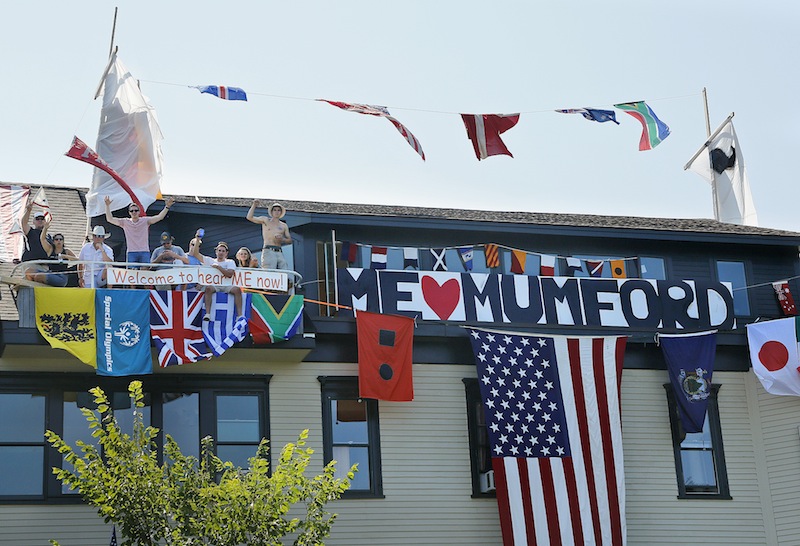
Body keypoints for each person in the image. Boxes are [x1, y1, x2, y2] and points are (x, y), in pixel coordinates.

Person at [104, 196, 174, 267]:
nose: (134, 212)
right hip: (131, 252)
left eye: (136, 210)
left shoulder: (145, 220)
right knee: (131, 273)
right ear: (129, 213)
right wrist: (107, 206)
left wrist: (167, 207)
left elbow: (159, 217)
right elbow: (110, 219)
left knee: (145, 272)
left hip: (144, 251)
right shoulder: (125, 222)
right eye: (132, 211)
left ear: (139, 211)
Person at [188, 238, 243, 320]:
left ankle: (240, 315)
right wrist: (197, 239)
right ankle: (208, 314)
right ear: (216, 251)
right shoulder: (210, 260)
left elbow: (229, 274)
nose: (221, 253)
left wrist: (218, 267)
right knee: (208, 288)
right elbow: (196, 254)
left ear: (226, 253)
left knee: (237, 290)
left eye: (223, 251)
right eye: (219, 250)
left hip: (227, 285)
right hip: (215, 285)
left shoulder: (230, 262)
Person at [246, 200, 292, 269]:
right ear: (272, 212)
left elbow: (290, 240)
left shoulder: (284, 225)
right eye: (275, 210)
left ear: (281, 212)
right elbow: (249, 217)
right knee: (269, 272)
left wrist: (282, 239)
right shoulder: (266, 220)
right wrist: (254, 205)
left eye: (278, 210)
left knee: (284, 271)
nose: (276, 212)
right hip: (268, 250)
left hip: (279, 251)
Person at [37, 217, 77, 287]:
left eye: (61, 239)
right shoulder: (50, 250)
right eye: (56, 239)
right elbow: (42, 239)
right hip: (50, 273)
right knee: (29, 271)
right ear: (53, 241)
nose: (59, 241)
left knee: (39, 276)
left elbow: (78, 260)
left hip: (61, 277)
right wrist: (45, 228)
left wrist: (65, 256)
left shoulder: (66, 251)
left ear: (63, 241)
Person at [20, 201, 52, 280]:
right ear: (33, 221)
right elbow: (23, 223)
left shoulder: (48, 237)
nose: (40, 220)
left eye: (42, 219)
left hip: (44, 266)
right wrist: (28, 210)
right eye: (37, 219)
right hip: (31, 264)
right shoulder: (31, 232)